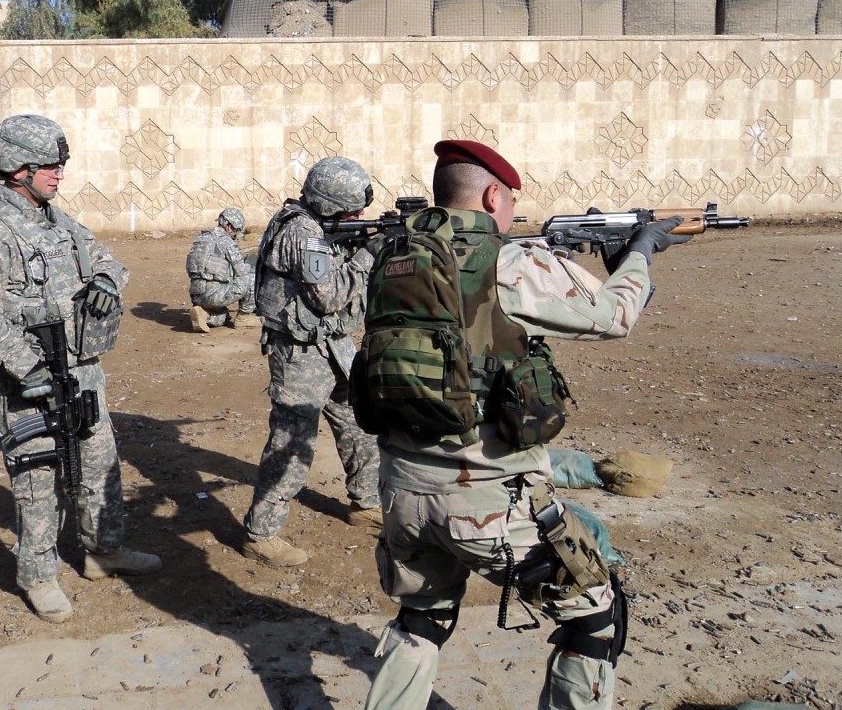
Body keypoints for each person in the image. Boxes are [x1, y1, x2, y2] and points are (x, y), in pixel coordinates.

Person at [364, 140, 690, 709]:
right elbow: (614, 315)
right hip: (488, 501)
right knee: (595, 621)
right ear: (494, 195)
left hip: (403, 493)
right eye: (510, 201)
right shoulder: (513, 263)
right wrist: (639, 254)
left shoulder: (392, 261)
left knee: (422, 618)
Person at [0, 114, 161, 624]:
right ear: (16, 166)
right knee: (37, 478)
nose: (60, 173)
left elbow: (109, 260)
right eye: (50, 164)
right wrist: (29, 368)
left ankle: (102, 551)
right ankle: (38, 576)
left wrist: (107, 283)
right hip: (25, 382)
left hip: (81, 371)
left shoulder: (56, 220)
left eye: (61, 164)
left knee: (99, 463)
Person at [240, 156, 384, 567]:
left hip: (332, 347)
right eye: (353, 210)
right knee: (292, 443)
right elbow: (331, 296)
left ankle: (366, 503)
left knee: (358, 424)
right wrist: (368, 254)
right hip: (301, 355)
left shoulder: (318, 226)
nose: (359, 217)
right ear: (328, 202)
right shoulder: (304, 233)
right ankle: (260, 532)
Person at [186, 206, 259, 332]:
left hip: (196, 294)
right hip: (214, 293)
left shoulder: (201, 238)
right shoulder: (225, 241)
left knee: (224, 317)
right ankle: (244, 317)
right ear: (230, 227)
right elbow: (241, 271)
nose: (236, 235)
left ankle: (204, 314)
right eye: (236, 231)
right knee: (252, 276)